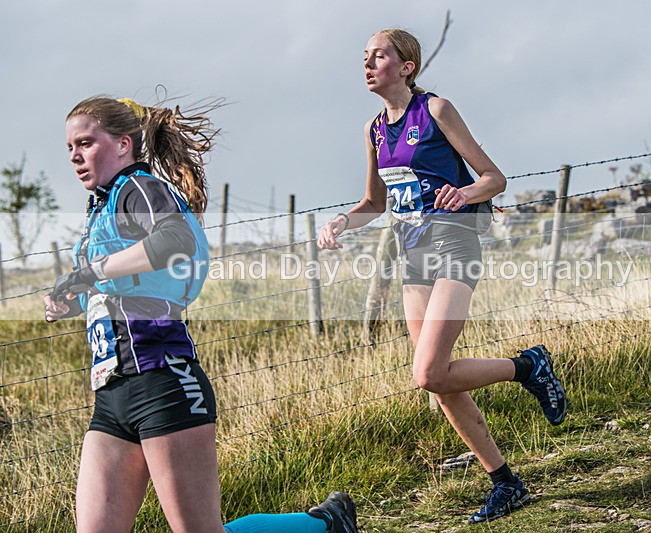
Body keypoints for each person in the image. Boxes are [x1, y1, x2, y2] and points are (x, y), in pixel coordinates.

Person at [44, 96, 357, 533]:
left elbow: (175, 240)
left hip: (163, 383)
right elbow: (123, 283)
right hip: (112, 394)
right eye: (69, 148)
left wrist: (91, 271)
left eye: (85, 143)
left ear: (122, 144)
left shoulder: (140, 188)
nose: (75, 156)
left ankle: (325, 524)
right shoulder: (102, 207)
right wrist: (71, 297)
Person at [317, 29, 567, 524]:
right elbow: (375, 203)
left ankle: (527, 368)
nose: (368, 64)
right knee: (440, 380)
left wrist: (466, 193)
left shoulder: (435, 110)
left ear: (407, 65)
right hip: (414, 258)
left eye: (379, 56)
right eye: (363, 57)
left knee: (428, 371)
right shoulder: (373, 130)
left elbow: (493, 177)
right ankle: (506, 482)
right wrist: (342, 221)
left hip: (455, 244)